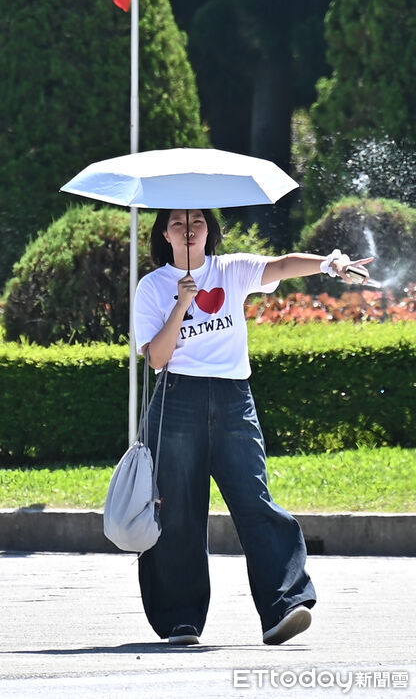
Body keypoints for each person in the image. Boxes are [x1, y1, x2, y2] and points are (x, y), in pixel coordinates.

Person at [133, 208, 372, 647]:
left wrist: (327, 263)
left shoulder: (231, 269)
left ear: (210, 231)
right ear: (165, 234)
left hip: (232, 400)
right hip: (177, 400)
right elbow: (158, 357)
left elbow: (281, 265)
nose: (189, 230)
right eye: (178, 224)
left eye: (197, 222)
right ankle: (180, 621)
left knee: (255, 499)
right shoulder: (152, 287)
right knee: (179, 512)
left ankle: (285, 606)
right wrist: (183, 303)